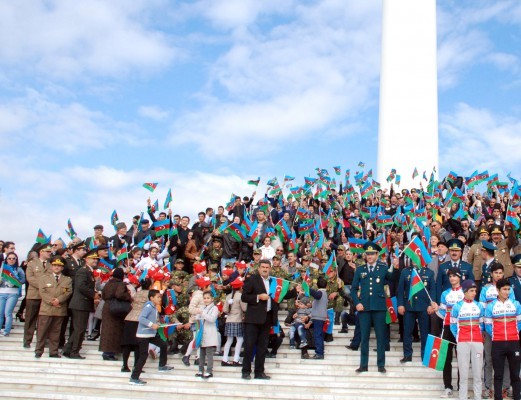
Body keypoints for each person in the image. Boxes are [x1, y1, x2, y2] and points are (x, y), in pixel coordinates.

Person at [241, 258, 297, 380]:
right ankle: (246, 371)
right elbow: (244, 297)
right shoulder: (252, 280)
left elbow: (280, 296)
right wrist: (258, 297)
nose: (265, 269)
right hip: (253, 319)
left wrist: (294, 292)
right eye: (263, 267)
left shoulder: (273, 281)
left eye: (267, 267)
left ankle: (259, 372)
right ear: (259, 268)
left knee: (262, 347)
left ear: (270, 269)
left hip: (267, 318)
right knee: (249, 345)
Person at [351, 241, 399, 373]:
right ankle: (363, 365)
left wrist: (395, 267)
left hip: (379, 307)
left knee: (381, 337)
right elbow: (354, 289)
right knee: (364, 337)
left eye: (372, 254)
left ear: (377, 255)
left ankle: (381, 364)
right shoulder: (360, 269)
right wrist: (357, 303)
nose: (370, 256)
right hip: (364, 308)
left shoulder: (383, 268)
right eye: (368, 254)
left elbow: (393, 278)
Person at [484, 278, 521, 400]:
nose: (507, 292)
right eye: (504, 289)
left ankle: (517, 397)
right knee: (498, 375)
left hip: (513, 342)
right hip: (498, 343)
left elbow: (519, 323)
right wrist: (496, 335)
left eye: (508, 289)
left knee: (515, 374)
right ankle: (498, 398)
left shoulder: (516, 304)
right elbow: (488, 326)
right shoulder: (491, 306)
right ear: (498, 290)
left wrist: (513, 333)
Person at [396, 256, 436, 363]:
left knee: (425, 333)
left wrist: (431, 304)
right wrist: (400, 304)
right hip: (409, 306)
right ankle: (407, 355)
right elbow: (400, 290)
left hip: (424, 307)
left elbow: (432, 290)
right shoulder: (405, 272)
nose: (415, 260)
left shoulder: (429, 273)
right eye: (413, 258)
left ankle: (425, 356)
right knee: (407, 332)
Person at [130, 289, 174, 385]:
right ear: (151, 298)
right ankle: (134, 377)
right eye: (158, 297)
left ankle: (162, 365)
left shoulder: (154, 307)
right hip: (143, 335)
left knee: (163, 344)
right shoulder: (149, 306)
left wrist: (158, 324)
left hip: (150, 334)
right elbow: (141, 318)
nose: (160, 299)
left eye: (160, 297)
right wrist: (152, 325)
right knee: (143, 355)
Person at [450, 280, 485, 400]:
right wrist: (459, 337)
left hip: (477, 342)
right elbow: (453, 325)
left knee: (477, 374)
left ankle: (477, 397)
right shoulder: (457, 306)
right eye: (471, 291)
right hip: (463, 342)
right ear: (465, 291)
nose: (474, 293)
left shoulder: (479, 306)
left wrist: (479, 338)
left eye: (475, 291)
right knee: (463, 374)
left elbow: (482, 324)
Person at [63, 249, 100, 359]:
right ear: (86, 259)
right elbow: (81, 286)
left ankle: (68, 349)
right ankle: (74, 352)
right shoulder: (83, 271)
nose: (95, 261)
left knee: (78, 329)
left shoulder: (88, 271)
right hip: (80, 303)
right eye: (93, 258)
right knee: (80, 329)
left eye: (96, 259)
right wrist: (93, 295)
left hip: (83, 303)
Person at [35, 256, 72, 358]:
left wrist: (59, 300)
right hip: (46, 309)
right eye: (55, 265)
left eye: (59, 266)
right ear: (51, 266)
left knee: (56, 332)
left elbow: (68, 292)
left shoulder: (67, 280)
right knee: (42, 331)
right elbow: (42, 292)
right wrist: (52, 301)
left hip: (59, 309)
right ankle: (39, 350)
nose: (57, 267)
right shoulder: (44, 278)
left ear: (63, 267)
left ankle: (53, 352)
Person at [436, 268, 464, 399]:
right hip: (447, 327)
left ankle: (461, 386)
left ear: (460, 277)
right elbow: (442, 313)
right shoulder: (445, 293)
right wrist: (435, 309)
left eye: (454, 276)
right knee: (446, 358)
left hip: (461, 328)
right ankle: (447, 386)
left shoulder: (465, 292)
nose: (452, 278)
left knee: (462, 359)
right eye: (450, 276)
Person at [23, 243, 52, 348]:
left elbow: (52, 279)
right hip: (33, 295)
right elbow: (30, 278)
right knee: (30, 319)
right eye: (48, 251)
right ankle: (27, 340)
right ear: (41, 252)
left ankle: (41, 341)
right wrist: (43, 286)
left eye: (50, 251)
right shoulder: (31, 263)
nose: (50, 253)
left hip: (46, 297)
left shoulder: (51, 264)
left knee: (43, 321)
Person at [100, 268, 132, 361]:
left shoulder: (108, 283)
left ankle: (105, 352)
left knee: (106, 330)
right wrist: (128, 296)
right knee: (114, 331)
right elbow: (119, 294)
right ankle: (110, 353)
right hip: (116, 309)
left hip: (106, 308)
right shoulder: (121, 284)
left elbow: (104, 295)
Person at [222, 277, 246, 366]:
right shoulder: (240, 296)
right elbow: (244, 308)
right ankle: (236, 359)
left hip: (229, 320)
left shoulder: (228, 296)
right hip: (237, 320)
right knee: (240, 339)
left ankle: (225, 359)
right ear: (240, 287)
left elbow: (225, 310)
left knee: (229, 340)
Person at [195, 290, 219, 379]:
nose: (206, 300)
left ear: (212, 299)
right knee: (201, 352)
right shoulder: (203, 308)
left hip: (210, 333)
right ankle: (200, 370)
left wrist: (202, 314)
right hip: (202, 333)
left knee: (209, 353)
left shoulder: (214, 308)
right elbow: (199, 319)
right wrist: (197, 315)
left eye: (208, 298)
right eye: (204, 298)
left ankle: (209, 371)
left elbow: (212, 319)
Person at [0, 252, 25, 336]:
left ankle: (6, 331)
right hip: (2, 292)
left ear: (16, 259)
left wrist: (16, 281)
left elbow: (23, 280)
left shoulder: (18, 269)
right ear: (6, 259)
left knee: (8, 312)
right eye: (9, 258)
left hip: (13, 293)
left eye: (13, 258)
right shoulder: (2, 268)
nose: (11, 260)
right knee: (0, 313)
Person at [309, 277, 329, 359]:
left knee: (318, 335)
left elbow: (317, 295)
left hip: (318, 317)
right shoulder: (324, 293)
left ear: (317, 285)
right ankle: (320, 351)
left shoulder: (320, 292)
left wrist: (308, 289)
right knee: (319, 335)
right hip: (320, 317)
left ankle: (319, 353)